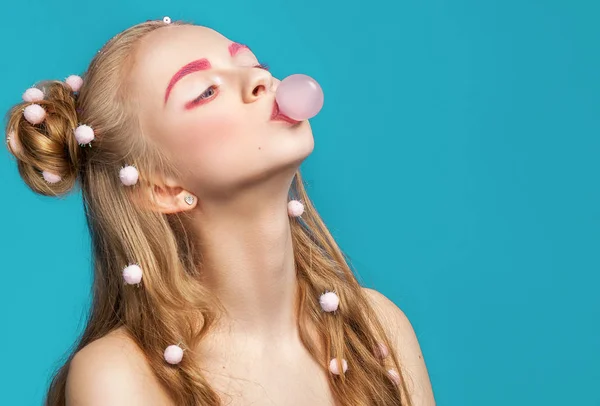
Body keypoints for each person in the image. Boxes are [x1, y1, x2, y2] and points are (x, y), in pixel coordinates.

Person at [5, 17, 435, 406]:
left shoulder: (377, 327)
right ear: (162, 188)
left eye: (248, 62)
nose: (261, 79)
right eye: (206, 91)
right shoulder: (118, 377)